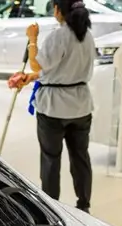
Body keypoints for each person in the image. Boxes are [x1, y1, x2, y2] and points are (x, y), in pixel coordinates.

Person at [11, 0, 94, 212]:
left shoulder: (59, 36)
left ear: (58, 9)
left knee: (50, 159)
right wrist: (32, 78)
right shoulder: (87, 36)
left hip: (54, 107)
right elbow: (60, 68)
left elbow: (37, 63)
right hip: (81, 106)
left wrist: (32, 39)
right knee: (80, 157)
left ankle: (51, 207)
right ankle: (84, 205)